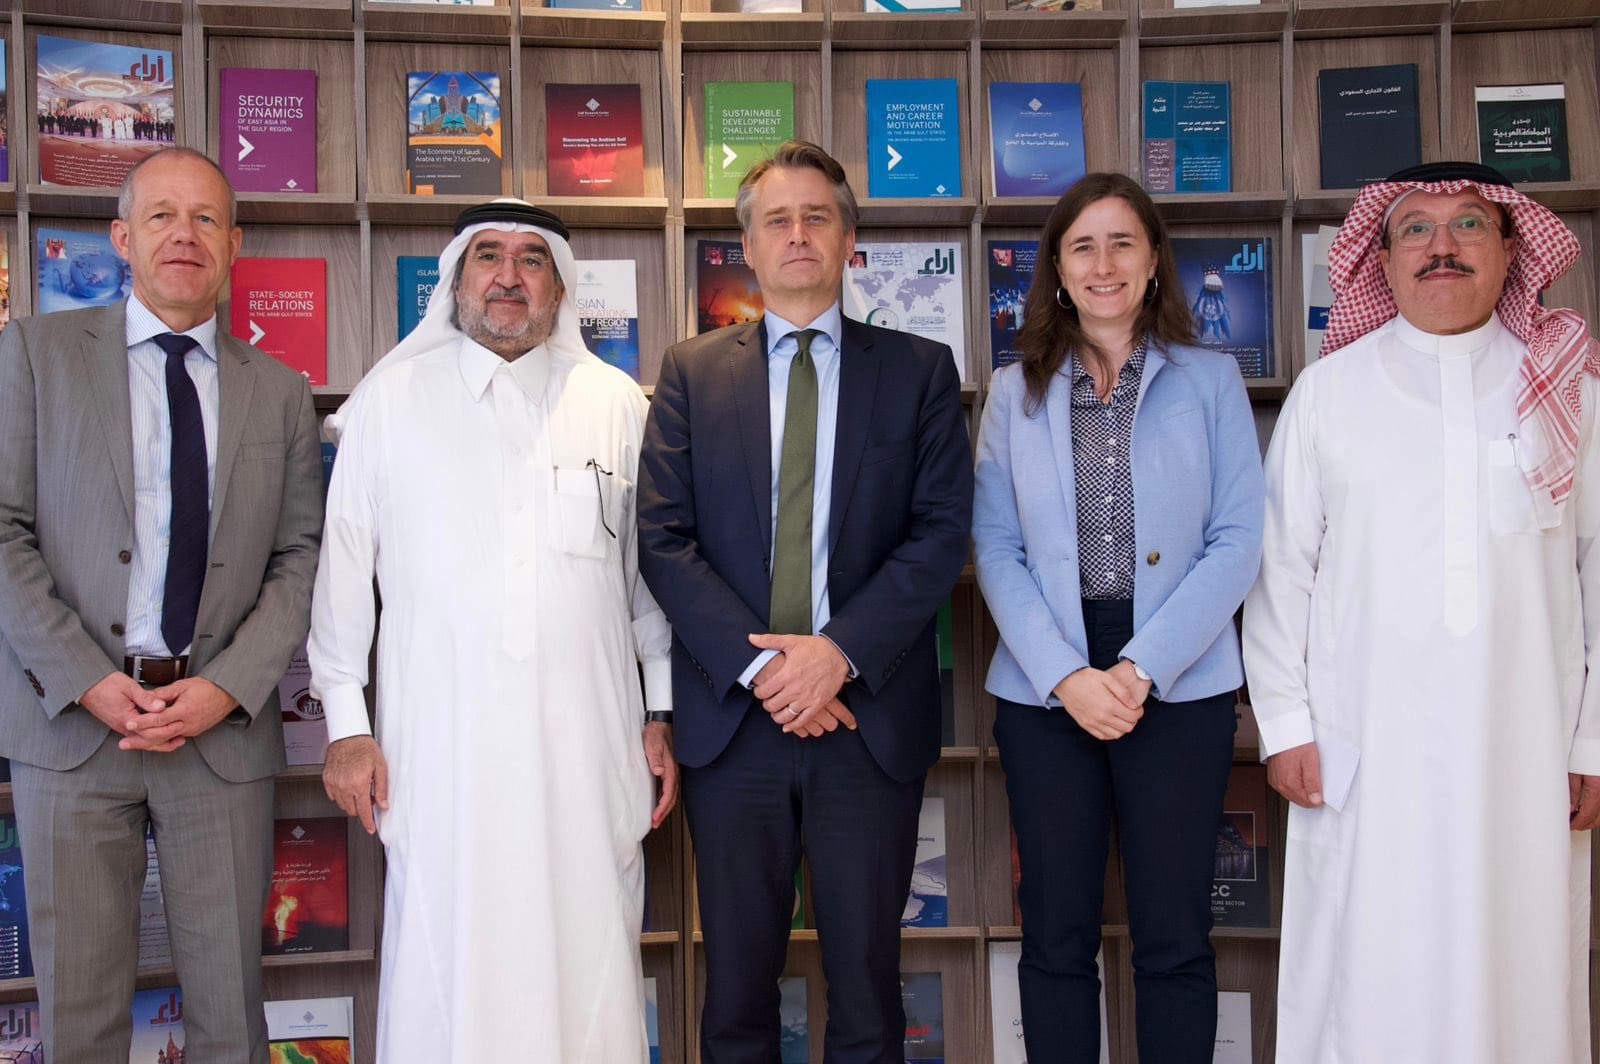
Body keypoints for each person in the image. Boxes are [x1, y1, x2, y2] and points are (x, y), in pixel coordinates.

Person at [1243, 160, 1600, 1062]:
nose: (1443, 247)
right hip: (1366, 748)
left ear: (1511, 249)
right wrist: (1285, 727)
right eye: (1416, 229)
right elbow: (1280, 572)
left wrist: (1593, 742)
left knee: (1519, 963)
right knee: (1369, 967)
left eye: (1469, 224)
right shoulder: (1330, 393)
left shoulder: (1570, 390)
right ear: (1382, 259)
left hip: (1525, 750)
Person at [311, 198, 677, 1062]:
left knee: (589, 940)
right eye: (488, 256)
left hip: (587, 746)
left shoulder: (614, 403)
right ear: (455, 280)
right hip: (440, 751)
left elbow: (648, 582)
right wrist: (347, 730)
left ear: (560, 286)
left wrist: (660, 711)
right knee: (445, 947)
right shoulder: (389, 402)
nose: (508, 277)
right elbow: (343, 578)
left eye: (530, 259)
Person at [636, 140, 973, 1062]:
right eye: (776, 220)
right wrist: (768, 671)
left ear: (848, 239)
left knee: (868, 987)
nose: (797, 235)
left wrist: (834, 657)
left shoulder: (920, 370)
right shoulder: (691, 372)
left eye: (816, 217)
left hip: (865, 719)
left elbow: (940, 534)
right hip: (733, 725)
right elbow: (662, 538)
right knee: (736, 990)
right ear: (747, 246)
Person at [0, 146, 323, 1063]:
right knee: (81, 1018)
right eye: (161, 216)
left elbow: (300, 558)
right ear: (121, 238)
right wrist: (86, 679)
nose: (186, 234)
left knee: (230, 1017)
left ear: (234, 244)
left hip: (217, 737)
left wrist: (225, 688)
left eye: (207, 218)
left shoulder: (280, 392)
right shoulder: (34, 354)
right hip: (73, 732)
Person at [972, 172, 1263, 1063]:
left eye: (1122, 243)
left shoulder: (1211, 380)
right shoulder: (1013, 391)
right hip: (1046, 682)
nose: (1104, 264)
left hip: (1177, 676)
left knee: (1174, 934)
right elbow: (994, 547)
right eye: (1083, 247)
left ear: (1154, 261)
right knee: (1056, 932)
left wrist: (1141, 669)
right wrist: (1068, 675)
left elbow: (1238, 540)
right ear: (1058, 270)